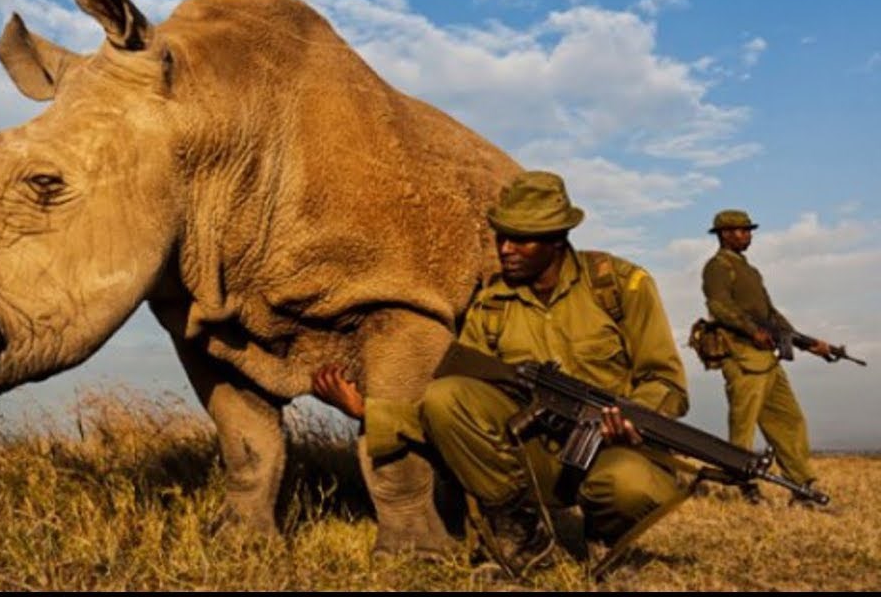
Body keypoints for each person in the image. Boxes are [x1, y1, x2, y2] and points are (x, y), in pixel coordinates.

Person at [314, 170, 688, 576]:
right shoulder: (491, 306)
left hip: (611, 450)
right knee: (446, 395)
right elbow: (445, 413)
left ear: (557, 239)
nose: (505, 249)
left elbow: (667, 383)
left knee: (630, 485)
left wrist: (632, 417)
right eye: (500, 236)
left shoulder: (619, 287)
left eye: (521, 239)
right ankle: (521, 538)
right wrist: (366, 410)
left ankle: (604, 536)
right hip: (533, 457)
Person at [701, 209, 830, 508]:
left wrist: (807, 342)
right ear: (724, 234)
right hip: (742, 356)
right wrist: (750, 330)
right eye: (740, 230)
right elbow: (719, 307)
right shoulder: (717, 267)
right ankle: (742, 486)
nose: (747, 235)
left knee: (789, 420)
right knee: (743, 427)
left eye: (748, 230)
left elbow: (771, 314)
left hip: (766, 358)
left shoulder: (750, 270)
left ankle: (802, 486)